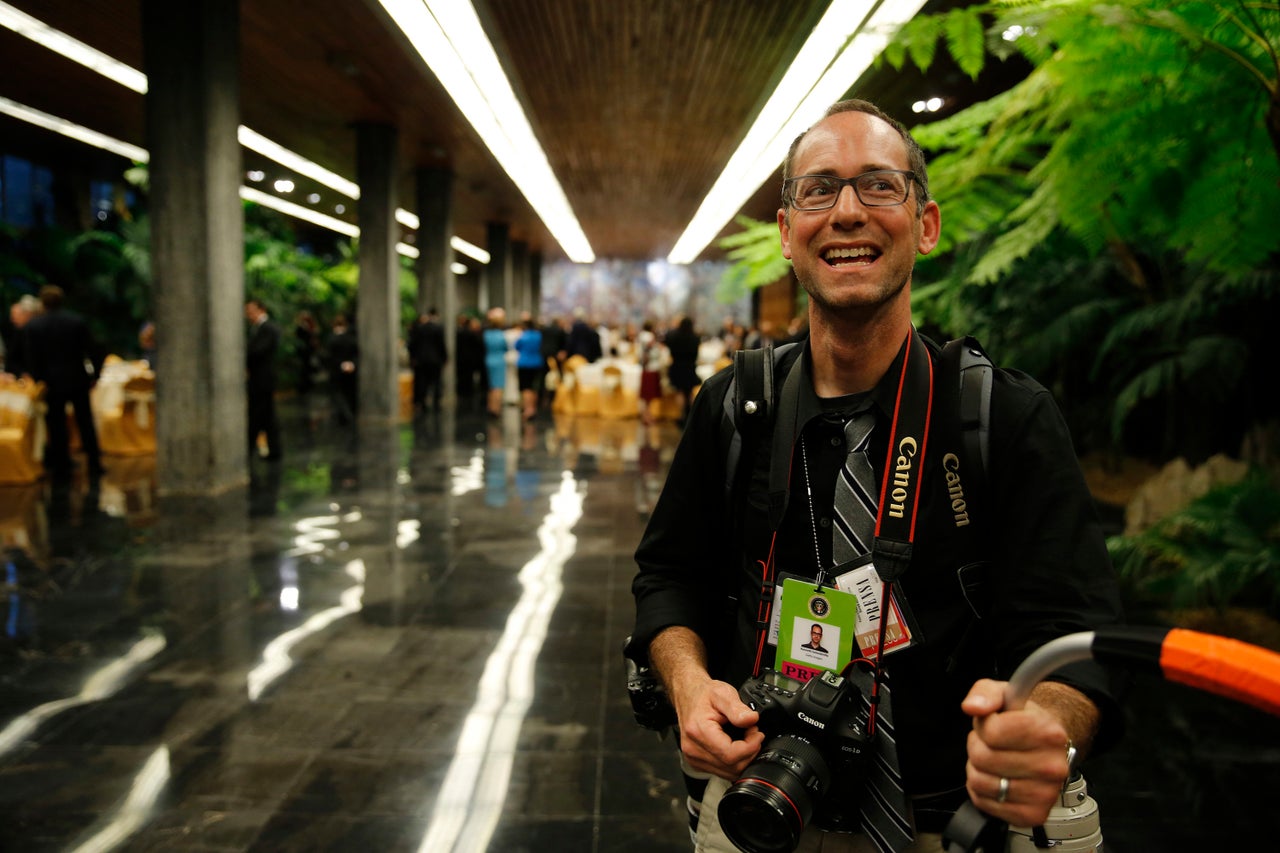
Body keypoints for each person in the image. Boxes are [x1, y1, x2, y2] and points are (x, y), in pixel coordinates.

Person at [629, 100, 1125, 853]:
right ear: (788, 232)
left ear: (925, 226)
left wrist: (1047, 723)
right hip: (767, 806)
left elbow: (1075, 637)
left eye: (880, 187)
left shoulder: (998, 415)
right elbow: (669, 575)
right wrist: (690, 687)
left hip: (962, 819)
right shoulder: (735, 409)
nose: (849, 211)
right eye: (819, 189)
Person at [23, 285, 104, 483]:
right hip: (77, 378)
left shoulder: (34, 326)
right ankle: (94, 463)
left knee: (57, 424)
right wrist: (95, 374)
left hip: (52, 383)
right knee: (85, 421)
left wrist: (39, 379)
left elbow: (31, 358)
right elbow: (94, 349)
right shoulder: (76, 321)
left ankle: (62, 466)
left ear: (42, 303)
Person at [245, 298, 282, 460]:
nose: (248, 315)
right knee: (262, 416)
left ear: (261, 310)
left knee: (262, 415)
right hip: (258, 379)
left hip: (263, 380)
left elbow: (258, 352)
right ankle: (266, 449)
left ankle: (261, 449)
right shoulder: (258, 329)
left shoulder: (268, 329)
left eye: (251, 311)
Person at [408, 308, 448, 415]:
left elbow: (412, 344)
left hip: (422, 360)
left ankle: (422, 402)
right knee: (437, 381)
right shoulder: (438, 328)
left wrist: (413, 357)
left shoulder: (420, 328)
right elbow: (441, 345)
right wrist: (444, 358)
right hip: (435, 360)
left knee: (422, 382)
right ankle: (436, 402)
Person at [664, 315, 701, 426]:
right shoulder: (695, 337)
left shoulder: (674, 336)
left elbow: (668, 344)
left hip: (677, 366)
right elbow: (696, 354)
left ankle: (681, 416)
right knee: (689, 392)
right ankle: (692, 417)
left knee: (680, 392)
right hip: (690, 366)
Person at [325, 314, 359, 425]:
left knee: (338, 393)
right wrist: (351, 364)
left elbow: (328, 356)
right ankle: (351, 414)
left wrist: (340, 365)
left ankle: (343, 415)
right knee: (350, 392)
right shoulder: (351, 338)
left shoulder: (331, 339)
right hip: (350, 370)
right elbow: (356, 354)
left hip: (336, 371)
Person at [513, 315, 543, 421]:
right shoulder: (538, 335)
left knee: (526, 387)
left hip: (524, 363)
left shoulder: (523, 336)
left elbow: (516, 346)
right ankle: (533, 408)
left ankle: (527, 409)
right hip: (537, 362)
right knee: (534, 387)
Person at [482, 307, 509, 418]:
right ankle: (496, 409)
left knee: (491, 386)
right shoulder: (502, 335)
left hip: (489, 359)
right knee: (498, 387)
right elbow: (506, 347)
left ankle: (490, 406)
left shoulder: (486, 334)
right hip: (499, 360)